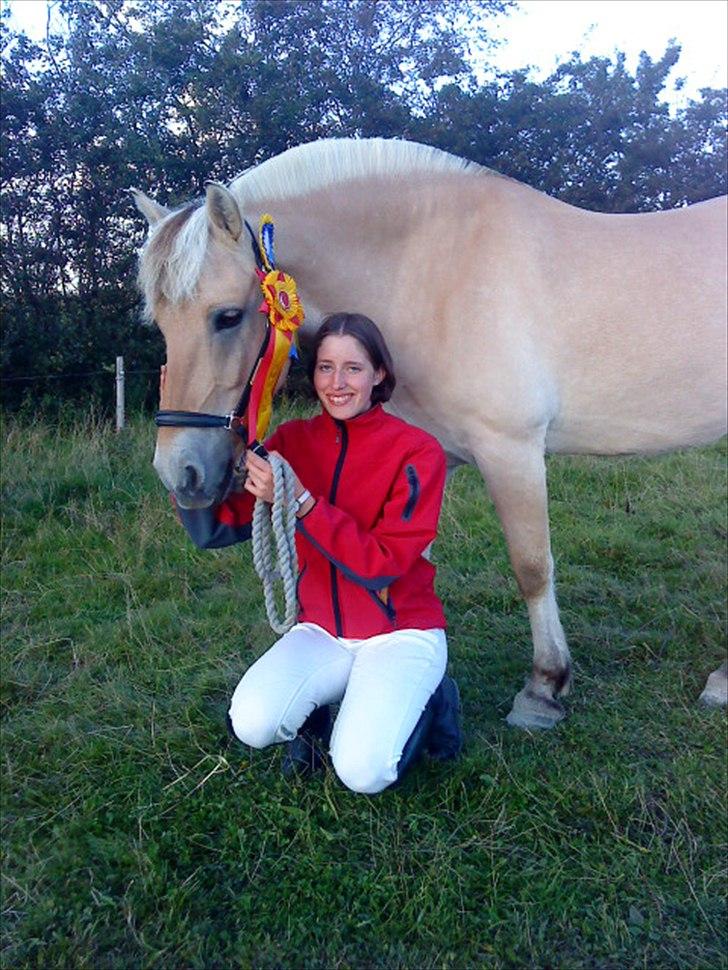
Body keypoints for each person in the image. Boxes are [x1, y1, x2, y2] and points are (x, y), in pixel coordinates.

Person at [176, 312, 462, 794]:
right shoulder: (289, 444)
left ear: (379, 374)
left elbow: (383, 565)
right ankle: (317, 716)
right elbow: (218, 529)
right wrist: (185, 472)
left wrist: (303, 505)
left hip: (399, 633)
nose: (338, 382)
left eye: (353, 368)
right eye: (326, 367)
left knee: (361, 771)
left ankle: (436, 701)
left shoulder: (417, 452)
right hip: (322, 631)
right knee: (252, 723)